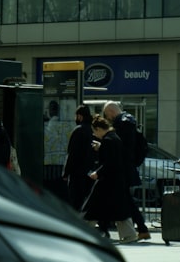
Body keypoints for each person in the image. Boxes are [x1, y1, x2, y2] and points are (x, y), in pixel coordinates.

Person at [81, 115, 138, 243]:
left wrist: (97, 172)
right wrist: (101, 147)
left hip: (107, 180)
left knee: (91, 207)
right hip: (115, 181)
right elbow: (114, 157)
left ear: (99, 129)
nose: (95, 134)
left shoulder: (108, 140)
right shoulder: (113, 138)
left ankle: (82, 232)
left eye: (95, 131)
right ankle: (129, 234)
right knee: (119, 209)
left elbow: (109, 161)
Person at [102, 101, 152, 241]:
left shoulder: (122, 124)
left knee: (125, 200)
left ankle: (141, 229)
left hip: (122, 169)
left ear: (111, 112)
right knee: (125, 200)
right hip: (127, 168)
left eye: (107, 115)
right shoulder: (129, 122)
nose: (107, 118)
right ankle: (141, 229)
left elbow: (121, 148)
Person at [63, 104, 96, 211]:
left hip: (77, 173)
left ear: (80, 116)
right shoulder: (94, 130)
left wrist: (66, 172)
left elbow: (72, 154)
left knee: (76, 202)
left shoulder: (78, 130)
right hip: (91, 172)